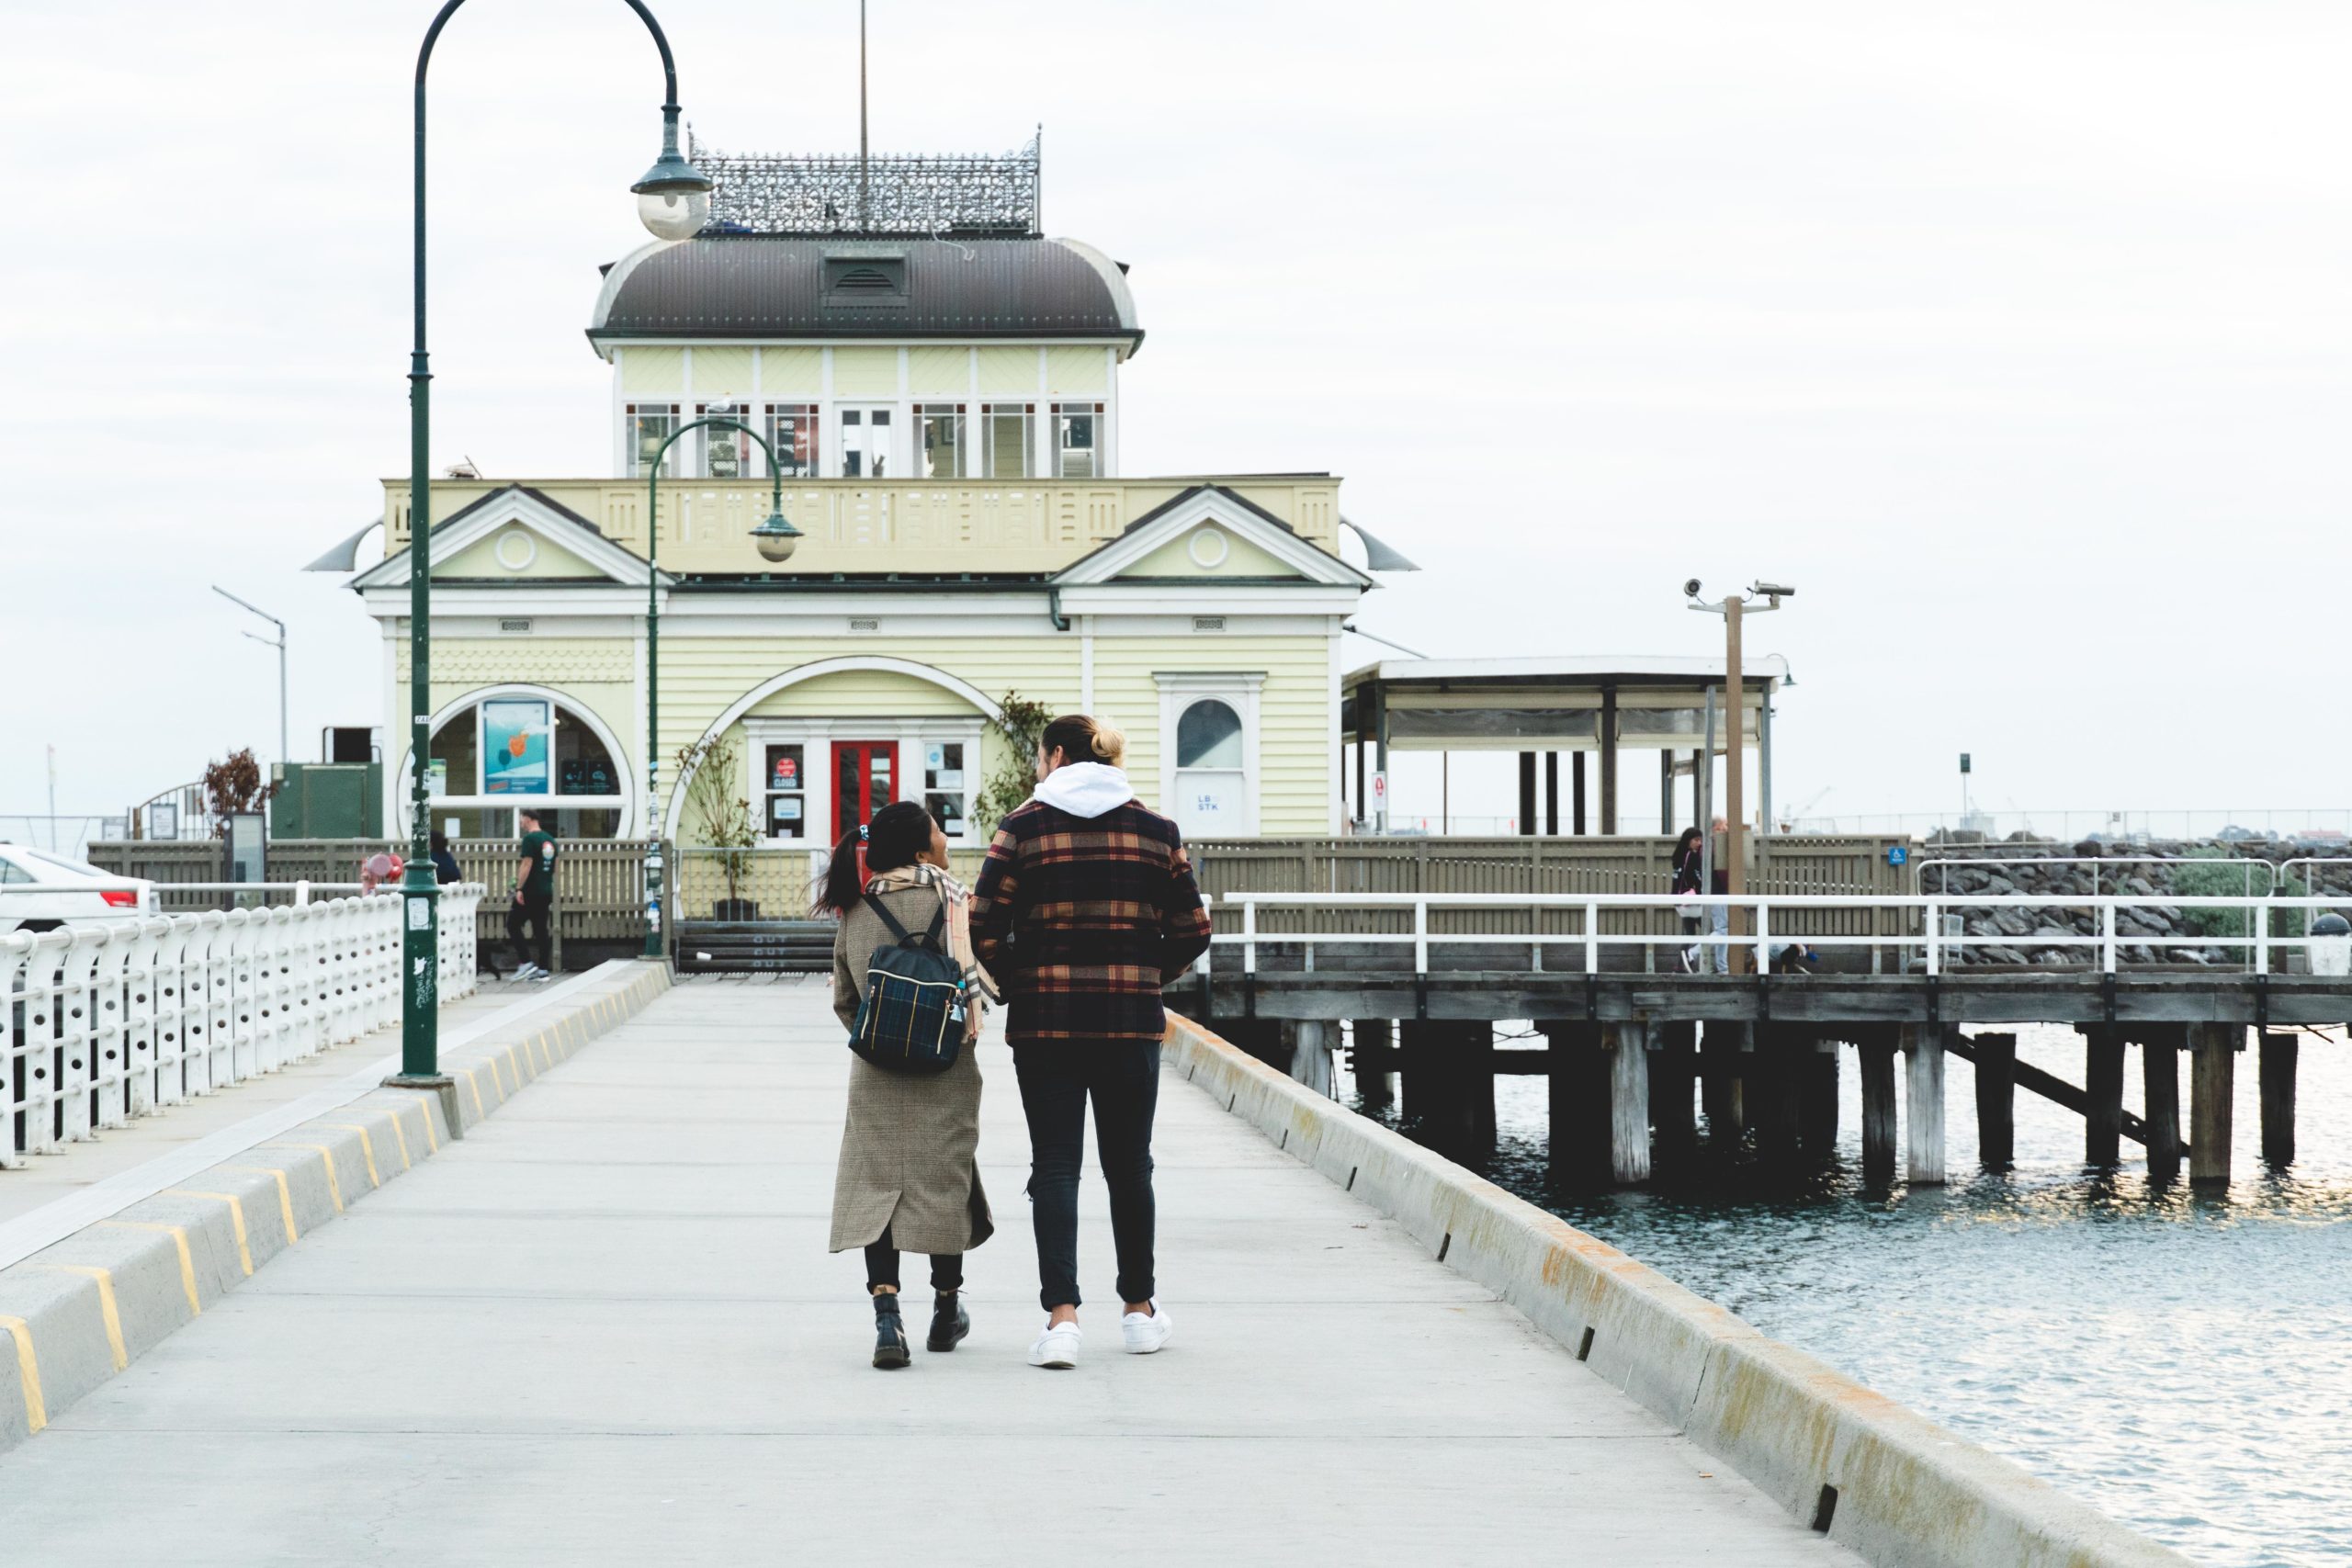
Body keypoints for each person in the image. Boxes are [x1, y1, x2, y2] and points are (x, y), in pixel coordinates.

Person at [971, 714, 1212, 1371]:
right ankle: (1138, 1311)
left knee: (1054, 1165)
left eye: (1038, 758)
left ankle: (1062, 1320)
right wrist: (1142, 978)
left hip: (1045, 1023)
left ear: (1054, 756)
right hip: (1129, 1020)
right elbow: (1194, 928)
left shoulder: (1021, 828)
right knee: (1130, 1165)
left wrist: (1023, 980)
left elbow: (982, 922)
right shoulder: (1156, 831)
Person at [819, 800, 999, 1371]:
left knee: (877, 1185)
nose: (946, 839)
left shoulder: (856, 908)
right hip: (947, 1068)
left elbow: (845, 999)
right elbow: (984, 984)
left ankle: (887, 1319)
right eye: (939, 831)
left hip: (876, 1073)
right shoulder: (956, 904)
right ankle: (947, 1309)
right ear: (923, 850)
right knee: (943, 1181)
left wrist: (883, 1040)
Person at [509, 809, 556, 981]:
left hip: (530, 891)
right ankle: (543, 969)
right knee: (541, 930)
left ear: (528, 819)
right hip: (545, 890)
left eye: (521, 820)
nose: (521, 823)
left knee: (513, 924)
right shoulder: (550, 840)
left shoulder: (530, 839)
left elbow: (527, 864)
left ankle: (526, 961)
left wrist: (519, 888)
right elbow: (554, 867)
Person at [1670, 826, 1705, 973]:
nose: (1700, 843)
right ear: (1689, 841)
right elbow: (1697, 878)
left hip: (1680, 902)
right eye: (1696, 840)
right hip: (1692, 902)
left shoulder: (1678, 855)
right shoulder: (1692, 856)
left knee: (1689, 934)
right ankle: (1692, 957)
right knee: (1715, 931)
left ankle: (1681, 965)